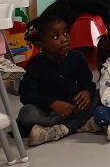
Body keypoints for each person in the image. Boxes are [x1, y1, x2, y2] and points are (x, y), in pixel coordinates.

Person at [18, 14, 100, 146]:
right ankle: (77, 124)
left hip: (73, 106)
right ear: (40, 44)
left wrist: (87, 91)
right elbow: (26, 94)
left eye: (65, 33)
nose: (64, 39)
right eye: (55, 37)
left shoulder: (77, 57)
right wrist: (53, 103)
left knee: (100, 95)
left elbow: (88, 82)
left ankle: (58, 129)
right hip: (48, 111)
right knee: (27, 113)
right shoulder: (35, 64)